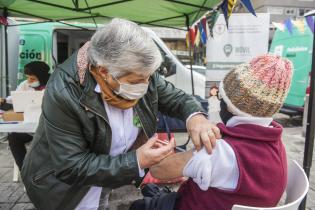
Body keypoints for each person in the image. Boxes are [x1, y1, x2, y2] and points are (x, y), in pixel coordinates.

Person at [21, 18, 221, 210]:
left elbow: (175, 98)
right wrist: (136, 161)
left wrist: (196, 117)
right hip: (67, 193)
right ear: (104, 72)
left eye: (148, 78)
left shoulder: (141, 71)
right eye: (135, 82)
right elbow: (71, 166)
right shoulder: (65, 90)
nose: (144, 86)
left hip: (115, 182)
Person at [143, 54, 292, 210]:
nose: (218, 101)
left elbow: (158, 170)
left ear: (232, 106)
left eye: (222, 97)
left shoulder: (218, 152)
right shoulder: (276, 144)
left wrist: (163, 153)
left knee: (139, 205)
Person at [0, 61, 50, 171]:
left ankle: (46, 173)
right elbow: (13, 99)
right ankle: (25, 171)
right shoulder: (25, 85)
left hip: (49, 129)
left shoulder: (53, 84)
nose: (28, 81)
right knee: (13, 137)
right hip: (29, 127)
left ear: (41, 76)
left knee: (47, 144)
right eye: (27, 78)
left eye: (32, 78)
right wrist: (3, 100)